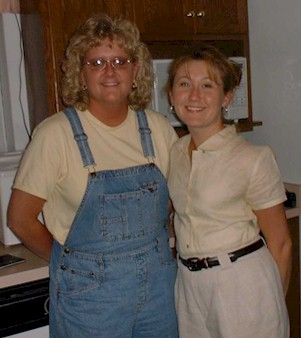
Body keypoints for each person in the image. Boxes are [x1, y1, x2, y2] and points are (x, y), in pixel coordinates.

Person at [7, 14, 179, 338]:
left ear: (135, 70)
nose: (110, 71)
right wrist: (74, 264)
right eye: (97, 61)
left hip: (159, 288)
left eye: (120, 61)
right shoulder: (55, 134)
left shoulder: (158, 128)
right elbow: (20, 219)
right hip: (90, 297)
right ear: (81, 75)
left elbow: (170, 202)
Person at [166, 44, 292, 338]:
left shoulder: (254, 158)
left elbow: (281, 243)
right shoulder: (174, 151)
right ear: (171, 96)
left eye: (207, 85)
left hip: (241, 283)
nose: (194, 96)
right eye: (184, 84)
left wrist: (271, 304)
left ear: (226, 97)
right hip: (188, 285)